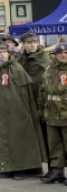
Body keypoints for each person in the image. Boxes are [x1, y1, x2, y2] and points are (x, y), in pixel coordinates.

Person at [0, 39, 45, 179]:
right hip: (0, 109)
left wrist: (24, 110)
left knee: (18, 138)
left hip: (17, 109)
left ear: (9, 53)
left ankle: (20, 168)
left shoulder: (16, 68)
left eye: (4, 52)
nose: (1, 55)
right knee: (3, 138)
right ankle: (7, 167)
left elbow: (25, 92)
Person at [39, 43, 67, 184]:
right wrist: (41, 109)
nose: (63, 55)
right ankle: (56, 170)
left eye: (66, 52)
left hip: (66, 112)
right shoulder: (49, 69)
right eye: (60, 53)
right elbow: (43, 90)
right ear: (55, 55)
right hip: (51, 112)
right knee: (55, 144)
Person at [19, 32, 50, 102]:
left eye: (35, 42)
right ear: (23, 44)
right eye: (29, 43)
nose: (33, 45)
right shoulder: (20, 58)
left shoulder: (44, 57)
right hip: (24, 93)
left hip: (40, 93)